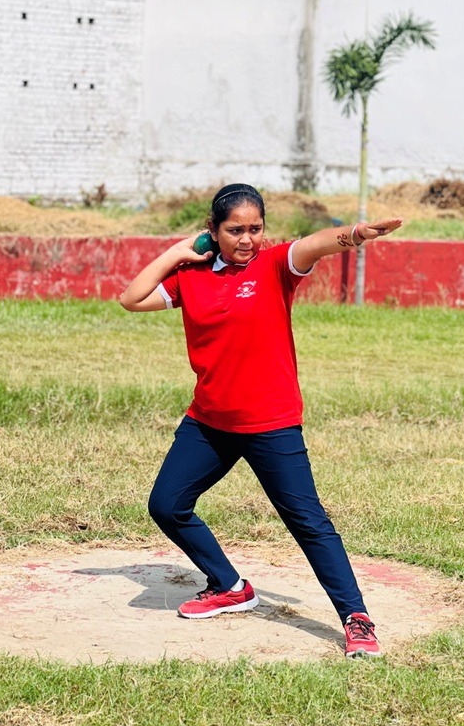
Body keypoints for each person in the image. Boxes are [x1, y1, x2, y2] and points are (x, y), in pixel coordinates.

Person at [119, 183, 402, 658]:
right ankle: (230, 585)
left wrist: (354, 234)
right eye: (235, 230)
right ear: (213, 230)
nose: (247, 238)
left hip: (271, 423)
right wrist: (176, 253)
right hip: (209, 420)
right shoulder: (191, 276)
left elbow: (311, 245)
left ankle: (356, 618)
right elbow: (132, 298)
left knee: (309, 522)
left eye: (255, 228)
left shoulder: (274, 268)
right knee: (166, 505)